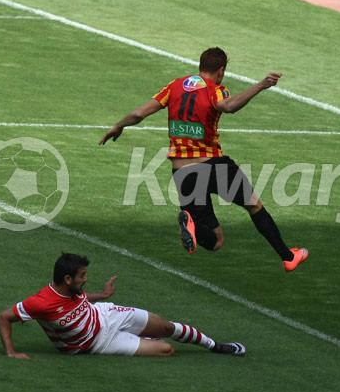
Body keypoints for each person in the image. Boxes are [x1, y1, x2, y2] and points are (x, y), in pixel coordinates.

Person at [99, 47, 308, 273]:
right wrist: (260, 85)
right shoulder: (215, 90)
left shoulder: (174, 86)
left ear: (200, 66)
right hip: (212, 165)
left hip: (182, 173)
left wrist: (119, 125)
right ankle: (287, 257)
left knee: (216, 241)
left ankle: (192, 225)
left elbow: (139, 113)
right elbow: (228, 107)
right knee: (254, 205)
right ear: (221, 70)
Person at [0, 253, 245, 358]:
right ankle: (142, 336)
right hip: (97, 343)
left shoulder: (76, 291)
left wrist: (102, 296)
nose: (86, 279)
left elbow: (80, 303)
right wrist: (11, 352)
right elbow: (3, 317)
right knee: (167, 350)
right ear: (67, 279)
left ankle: (216, 346)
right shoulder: (40, 303)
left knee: (167, 327)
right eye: (82, 276)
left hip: (106, 316)